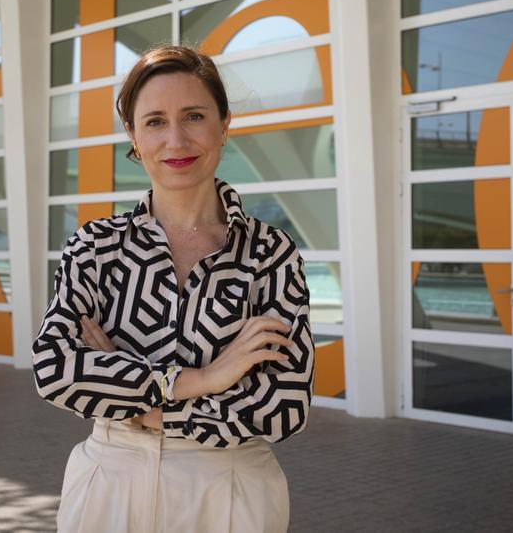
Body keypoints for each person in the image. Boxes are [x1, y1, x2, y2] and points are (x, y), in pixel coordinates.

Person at [32, 45, 314, 533]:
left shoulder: (270, 253)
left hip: (229, 491)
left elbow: (284, 405)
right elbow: (56, 370)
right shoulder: (96, 247)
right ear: (134, 137)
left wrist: (145, 406)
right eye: (155, 121)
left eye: (194, 116)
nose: (176, 139)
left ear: (224, 125)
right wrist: (204, 379)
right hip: (109, 486)